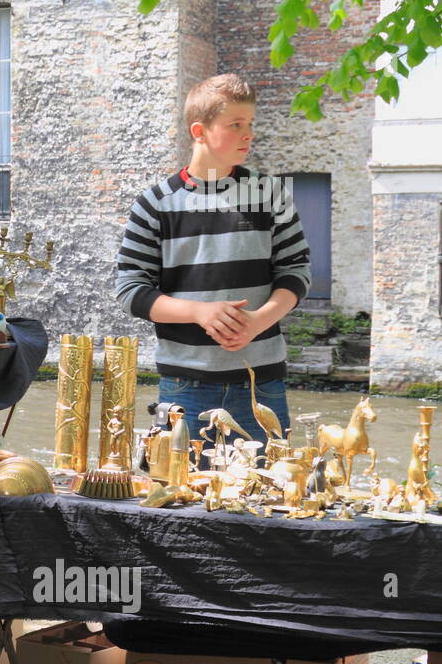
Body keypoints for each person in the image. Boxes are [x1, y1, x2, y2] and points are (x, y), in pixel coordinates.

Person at [115, 72, 311, 445]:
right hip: (184, 384)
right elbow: (130, 290)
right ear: (199, 131)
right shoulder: (154, 204)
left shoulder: (271, 195)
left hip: (262, 382)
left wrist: (257, 321)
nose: (247, 134)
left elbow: (296, 273)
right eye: (235, 125)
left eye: (249, 124)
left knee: (268, 498)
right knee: (183, 495)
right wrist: (199, 312)